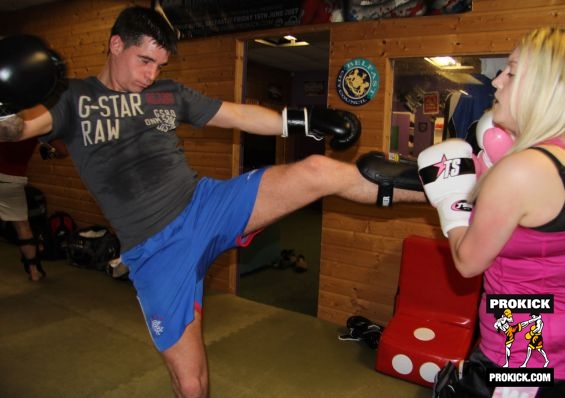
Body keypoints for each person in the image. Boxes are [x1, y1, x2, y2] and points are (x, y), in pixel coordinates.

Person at [0, 6, 425, 397]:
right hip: (156, 249)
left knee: (317, 170)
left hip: (205, 205)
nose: (151, 74)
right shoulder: (72, 99)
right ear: (116, 45)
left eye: (159, 65)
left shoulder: (168, 94)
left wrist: (308, 121)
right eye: (144, 61)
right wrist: (6, 100)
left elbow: (238, 114)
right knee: (190, 382)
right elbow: (18, 129)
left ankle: (433, 186)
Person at [418, 27, 565, 397]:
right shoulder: (555, 160)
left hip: (522, 358)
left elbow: (468, 262)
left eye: (512, 72)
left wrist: (451, 203)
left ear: (546, 89)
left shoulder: (522, 170)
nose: (497, 81)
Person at [0, 137, 45, 281]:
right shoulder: (35, 125)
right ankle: (34, 272)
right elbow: (62, 150)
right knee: (22, 226)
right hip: (13, 180)